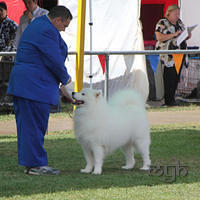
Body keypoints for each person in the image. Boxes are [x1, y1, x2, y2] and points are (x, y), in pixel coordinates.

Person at [7, 6, 72, 175]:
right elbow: (54, 60)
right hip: (33, 86)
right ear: (58, 20)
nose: (64, 29)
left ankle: (32, 163)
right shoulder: (46, 29)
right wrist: (67, 81)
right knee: (34, 127)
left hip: (29, 86)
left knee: (30, 126)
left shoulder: (40, 25)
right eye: (64, 26)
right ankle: (36, 165)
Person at [155, 4, 191, 106]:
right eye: (175, 14)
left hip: (180, 53)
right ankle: (168, 100)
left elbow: (183, 35)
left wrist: (187, 35)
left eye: (178, 14)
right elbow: (159, 37)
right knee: (169, 77)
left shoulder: (179, 22)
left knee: (176, 77)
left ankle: (172, 99)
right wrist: (174, 35)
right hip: (168, 56)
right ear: (169, 13)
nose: (177, 16)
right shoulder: (162, 22)